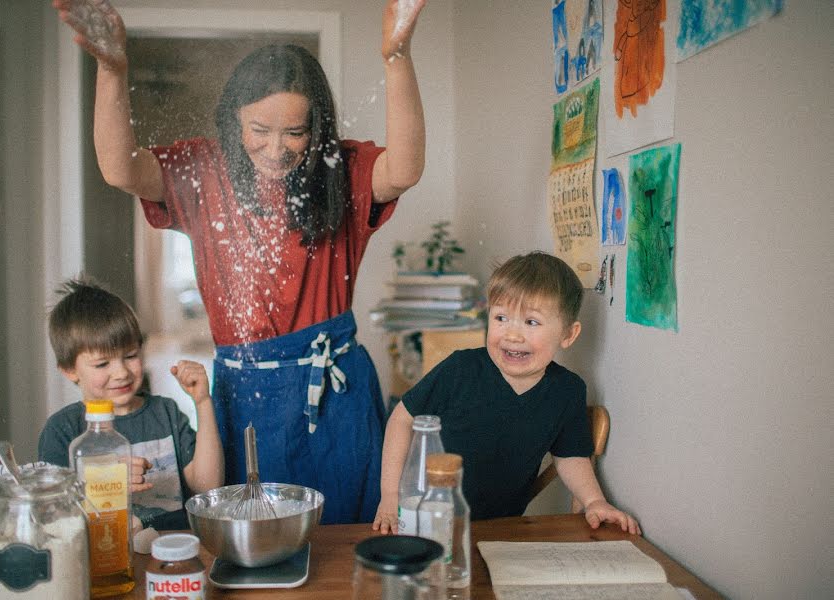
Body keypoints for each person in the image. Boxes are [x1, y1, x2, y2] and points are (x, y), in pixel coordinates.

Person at [53, 0, 426, 524]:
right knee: (251, 536)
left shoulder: (339, 167)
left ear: (315, 128)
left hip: (337, 393)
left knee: (345, 542)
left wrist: (397, 56)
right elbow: (120, 169)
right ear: (234, 119)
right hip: (246, 394)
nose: (277, 149)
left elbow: (404, 168)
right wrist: (112, 70)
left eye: (295, 133)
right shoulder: (202, 169)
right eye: (260, 130)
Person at [374, 252, 641, 534]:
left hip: (502, 528)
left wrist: (594, 500)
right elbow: (402, 419)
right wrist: (390, 496)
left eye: (531, 322)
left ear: (568, 335)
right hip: (427, 517)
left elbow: (571, 456)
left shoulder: (567, 391)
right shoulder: (459, 369)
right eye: (501, 317)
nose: (512, 335)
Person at [38, 278, 224, 531]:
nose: (121, 372)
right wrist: (107, 481)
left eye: (130, 356)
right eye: (102, 364)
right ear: (70, 370)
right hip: (100, 553)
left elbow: (207, 487)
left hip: (169, 545)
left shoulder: (165, 412)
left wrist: (203, 401)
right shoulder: (62, 429)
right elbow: (51, 512)